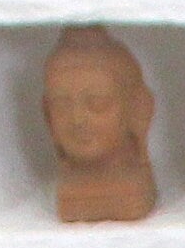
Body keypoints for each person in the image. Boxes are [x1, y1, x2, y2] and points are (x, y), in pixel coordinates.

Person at [44, 25, 157, 224]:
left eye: (97, 103)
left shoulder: (131, 185)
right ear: (47, 115)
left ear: (137, 109)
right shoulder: (68, 188)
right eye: (61, 105)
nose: (77, 119)